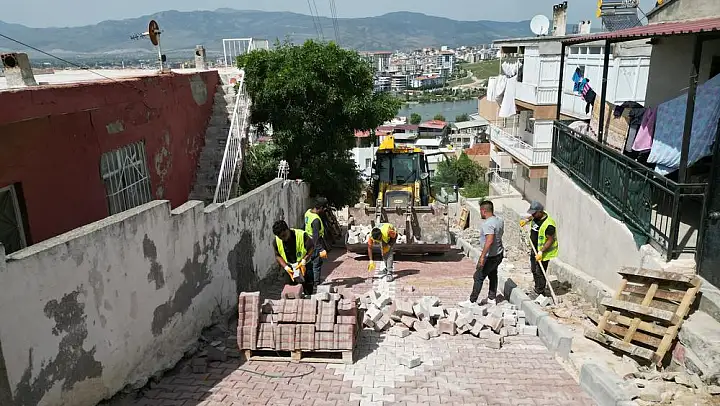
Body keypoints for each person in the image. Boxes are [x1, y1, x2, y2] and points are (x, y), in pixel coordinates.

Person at [519, 201, 558, 298]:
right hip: (534, 249)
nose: (532, 215)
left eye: (534, 213)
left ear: (540, 212)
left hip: (543, 253)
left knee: (540, 272)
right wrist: (526, 220)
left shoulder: (549, 224)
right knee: (534, 269)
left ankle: (540, 292)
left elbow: (550, 240)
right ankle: (537, 288)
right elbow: (532, 217)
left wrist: (541, 252)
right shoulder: (536, 217)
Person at [469, 200, 504, 304]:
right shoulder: (499, 220)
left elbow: (489, 241)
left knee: (478, 276)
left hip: (490, 256)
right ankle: (492, 298)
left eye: (481, 211)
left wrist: (482, 257)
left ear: (483, 211)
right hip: (499, 253)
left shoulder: (488, 224)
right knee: (493, 274)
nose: (480, 213)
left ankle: (472, 301)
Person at [272, 220, 315, 296]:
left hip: (304, 265)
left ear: (287, 229)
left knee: (308, 289)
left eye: (284, 235)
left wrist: (304, 260)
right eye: (280, 237)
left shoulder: (301, 235)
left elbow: (311, 248)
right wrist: (286, 267)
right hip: (290, 267)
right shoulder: (276, 241)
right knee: (289, 291)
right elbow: (278, 256)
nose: (283, 239)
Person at [304, 198, 328, 293]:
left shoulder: (308, 212)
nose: (324, 210)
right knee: (316, 264)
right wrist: (321, 249)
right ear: (320, 208)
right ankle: (316, 284)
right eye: (323, 208)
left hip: (307, 241)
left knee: (309, 263)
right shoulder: (316, 220)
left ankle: (309, 282)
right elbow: (316, 237)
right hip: (314, 244)